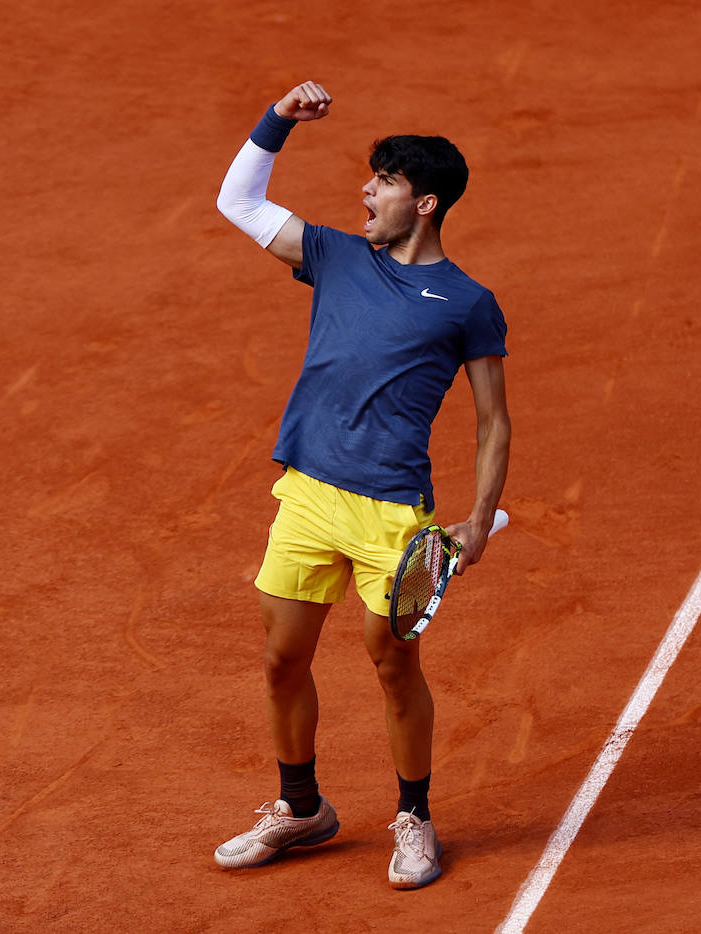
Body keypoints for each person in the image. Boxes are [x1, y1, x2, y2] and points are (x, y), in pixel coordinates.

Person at [212, 81, 511, 889]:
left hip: (390, 513)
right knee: (281, 660)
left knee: (390, 661)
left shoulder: (469, 303)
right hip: (308, 492)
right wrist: (278, 118)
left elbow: (493, 422)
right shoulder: (337, 257)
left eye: (381, 183)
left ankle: (414, 817)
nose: (365, 192)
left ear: (425, 202)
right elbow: (238, 199)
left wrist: (478, 519)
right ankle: (301, 806)